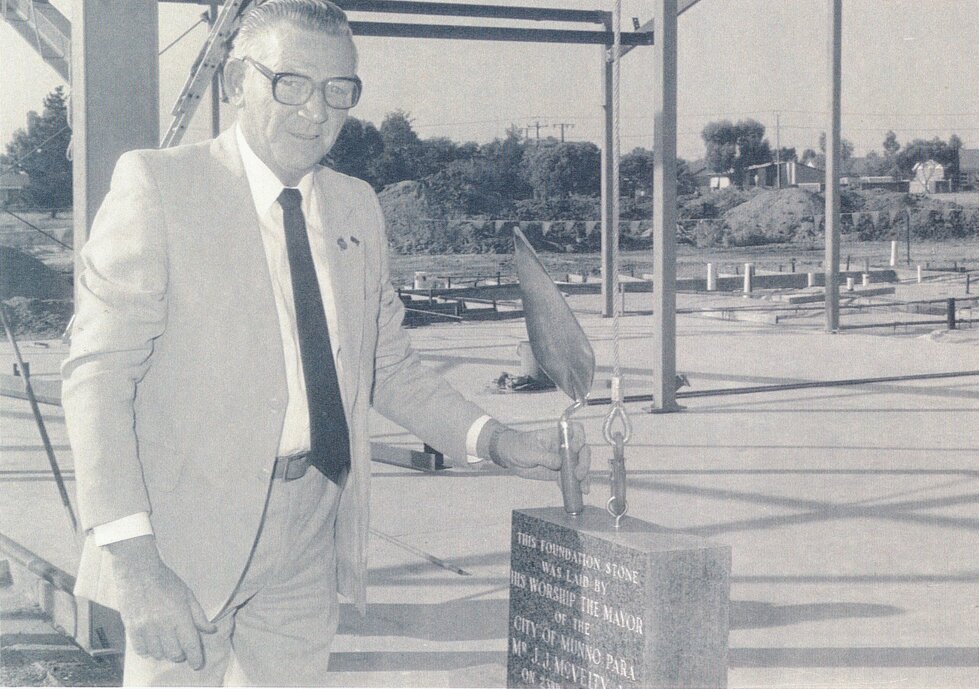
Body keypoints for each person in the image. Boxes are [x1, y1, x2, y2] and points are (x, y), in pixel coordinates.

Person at [61, 1, 589, 685]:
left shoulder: (355, 205)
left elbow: (387, 364)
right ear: (234, 82)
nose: (316, 111)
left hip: (310, 527)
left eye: (340, 89)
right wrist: (135, 564)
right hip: (184, 536)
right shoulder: (158, 187)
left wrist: (494, 438)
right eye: (291, 83)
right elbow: (97, 380)